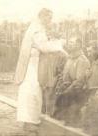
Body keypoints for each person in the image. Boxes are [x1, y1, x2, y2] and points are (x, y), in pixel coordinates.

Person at [15, 8, 67, 136]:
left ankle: (29, 121)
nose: (50, 20)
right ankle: (30, 122)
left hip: (31, 62)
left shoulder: (35, 26)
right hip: (32, 65)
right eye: (48, 17)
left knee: (31, 91)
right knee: (32, 91)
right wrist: (60, 43)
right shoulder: (38, 29)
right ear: (42, 17)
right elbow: (44, 47)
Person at [53, 36, 90, 127]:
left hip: (77, 91)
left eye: (72, 43)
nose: (69, 45)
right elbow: (64, 74)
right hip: (67, 88)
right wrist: (60, 84)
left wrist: (67, 90)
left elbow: (79, 80)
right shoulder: (70, 58)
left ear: (78, 45)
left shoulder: (82, 60)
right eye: (69, 43)